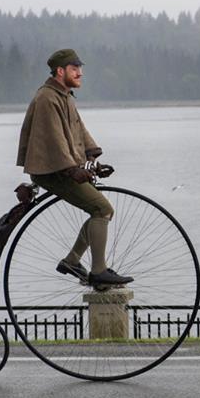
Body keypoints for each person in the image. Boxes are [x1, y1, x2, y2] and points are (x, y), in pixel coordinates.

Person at [16, 49, 132, 287]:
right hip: (52, 171)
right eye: (74, 68)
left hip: (62, 167)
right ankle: (98, 271)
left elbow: (78, 129)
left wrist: (91, 154)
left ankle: (72, 260)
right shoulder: (47, 98)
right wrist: (72, 170)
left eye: (80, 68)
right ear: (61, 71)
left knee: (99, 210)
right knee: (102, 208)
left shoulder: (64, 96)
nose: (80, 73)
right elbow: (55, 140)